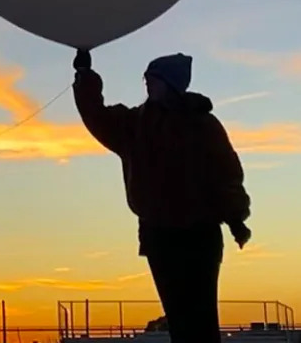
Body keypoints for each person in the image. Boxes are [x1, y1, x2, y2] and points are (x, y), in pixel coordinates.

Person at [72, 49, 251, 343]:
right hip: (158, 235)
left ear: (171, 82)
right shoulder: (134, 124)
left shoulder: (203, 124)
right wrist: (85, 77)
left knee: (202, 318)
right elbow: (98, 117)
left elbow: (226, 173)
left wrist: (236, 219)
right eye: (146, 77)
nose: (147, 82)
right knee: (179, 318)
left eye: (153, 78)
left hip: (200, 234)